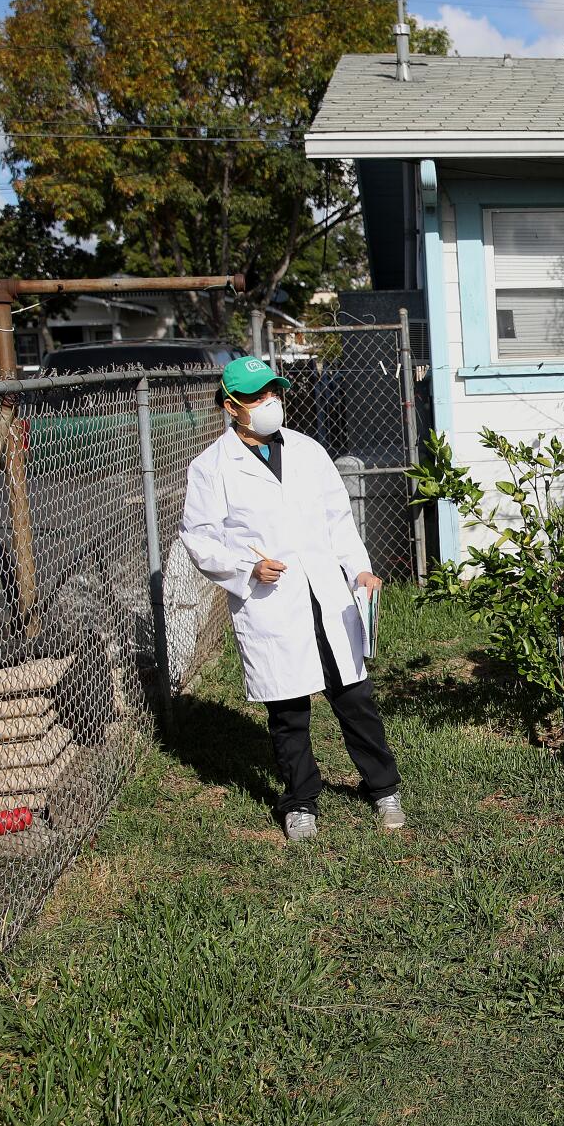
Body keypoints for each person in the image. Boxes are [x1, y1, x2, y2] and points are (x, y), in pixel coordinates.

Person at [179, 356, 404, 842]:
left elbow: (338, 519)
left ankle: (384, 787)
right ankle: (301, 800)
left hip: (326, 593)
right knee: (288, 711)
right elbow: (199, 538)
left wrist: (359, 568)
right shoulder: (212, 467)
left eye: (273, 393)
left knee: (354, 697)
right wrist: (246, 569)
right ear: (231, 405)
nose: (270, 403)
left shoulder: (307, 450)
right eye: (258, 397)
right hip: (272, 600)